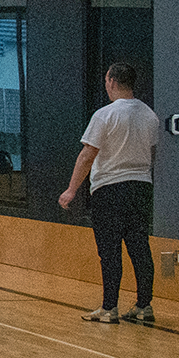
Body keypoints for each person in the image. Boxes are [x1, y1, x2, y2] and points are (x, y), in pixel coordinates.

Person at [61, 62, 160, 324]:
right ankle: (143, 305)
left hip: (110, 190)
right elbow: (152, 154)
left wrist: (72, 189)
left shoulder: (105, 115)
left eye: (107, 80)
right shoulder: (150, 115)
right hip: (141, 187)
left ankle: (109, 308)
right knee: (140, 248)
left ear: (112, 82)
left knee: (110, 250)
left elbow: (87, 155)